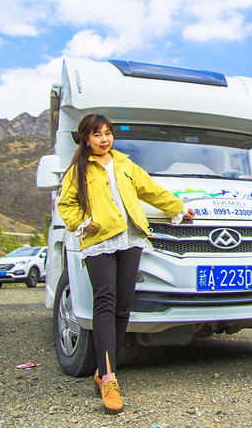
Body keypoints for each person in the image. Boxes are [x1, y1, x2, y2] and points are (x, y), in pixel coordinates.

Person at [57, 113, 194, 415]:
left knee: (123, 306)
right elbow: (65, 204)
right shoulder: (78, 169)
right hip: (100, 239)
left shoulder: (124, 163)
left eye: (107, 133)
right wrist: (83, 223)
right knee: (104, 302)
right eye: (97, 135)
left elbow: (150, 189)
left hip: (131, 238)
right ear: (85, 138)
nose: (104, 139)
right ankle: (109, 378)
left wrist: (179, 207)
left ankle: (106, 370)